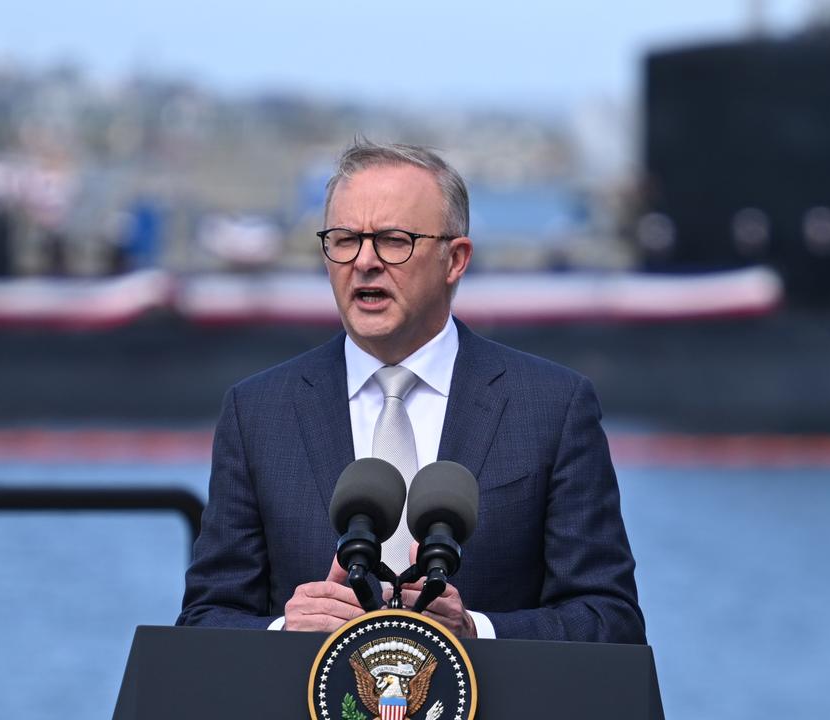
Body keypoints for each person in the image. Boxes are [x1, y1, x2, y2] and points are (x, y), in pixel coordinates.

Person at [177, 140, 645, 643]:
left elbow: (610, 621)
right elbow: (204, 622)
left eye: (393, 240)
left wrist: (474, 631)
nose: (364, 262)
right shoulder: (258, 413)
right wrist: (284, 628)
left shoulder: (552, 407)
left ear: (455, 259)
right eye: (344, 239)